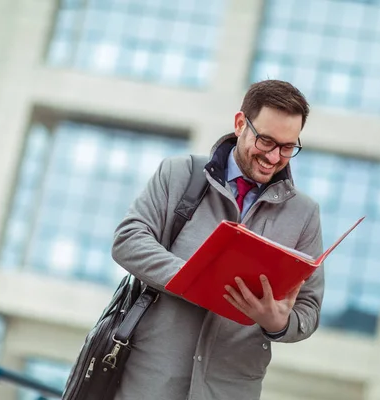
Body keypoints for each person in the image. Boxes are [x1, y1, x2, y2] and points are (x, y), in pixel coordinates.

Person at [111, 79, 324, 400]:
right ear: (241, 124)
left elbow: (308, 311)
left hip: (229, 389)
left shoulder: (305, 214)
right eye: (266, 141)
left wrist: (278, 323)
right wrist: (196, 280)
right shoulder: (180, 174)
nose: (274, 157)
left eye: (288, 147)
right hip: (150, 379)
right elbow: (128, 240)